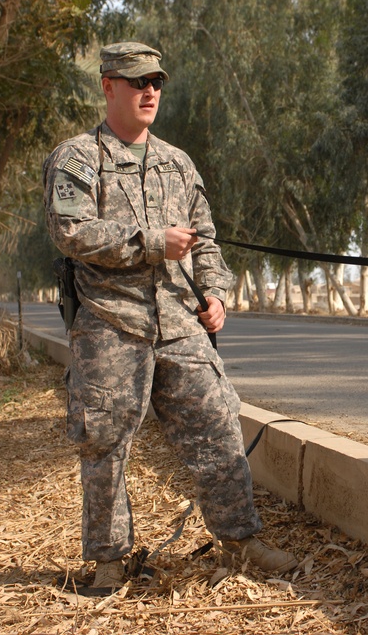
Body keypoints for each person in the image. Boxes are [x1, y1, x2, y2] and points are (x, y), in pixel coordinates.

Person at [42, 42, 297, 590]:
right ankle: (109, 563)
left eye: (156, 81)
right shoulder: (78, 158)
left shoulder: (177, 163)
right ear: (108, 86)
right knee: (104, 442)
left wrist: (215, 293)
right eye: (136, 82)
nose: (149, 91)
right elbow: (71, 232)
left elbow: (205, 241)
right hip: (111, 322)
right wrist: (152, 241)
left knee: (218, 427)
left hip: (180, 322)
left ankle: (241, 543)